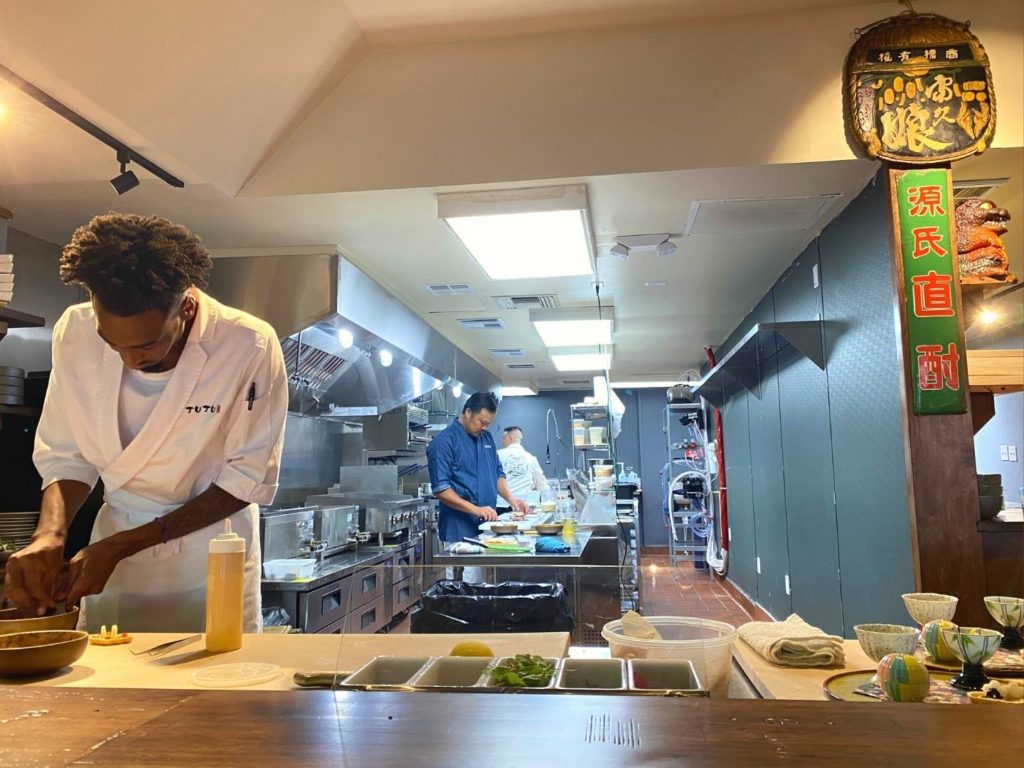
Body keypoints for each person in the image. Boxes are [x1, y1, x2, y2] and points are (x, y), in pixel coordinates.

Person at [3, 212, 288, 633]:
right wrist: (49, 534)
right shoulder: (75, 331)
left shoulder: (247, 343)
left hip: (210, 554)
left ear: (186, 308)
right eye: (111, 343)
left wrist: (119, 547)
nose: (129, 359)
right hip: (110, 555)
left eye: (147, 343)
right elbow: (67, 455)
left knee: (215, 686)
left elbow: (245, 480)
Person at [426, 392, 528, 544]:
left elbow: (498, 474)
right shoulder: (444, 443)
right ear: (468, 412)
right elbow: (441, 490)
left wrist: (513, 501)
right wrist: (477, 510)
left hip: (487, 528)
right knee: (466, 568)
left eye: (489, 424)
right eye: (482, 422)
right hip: (458, 531)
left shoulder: (485, 438)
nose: (485, 428)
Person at [496, 426, 548, 512]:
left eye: (503, 438)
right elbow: (542, 487)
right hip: (522, 508)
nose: (502, 442)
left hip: (499, 507)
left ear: (510, 438)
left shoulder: (497, 455)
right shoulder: (530, 458)